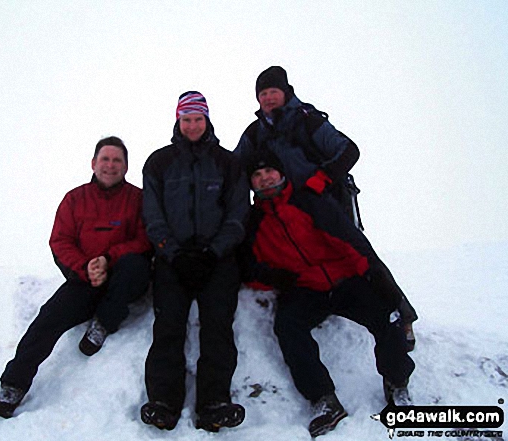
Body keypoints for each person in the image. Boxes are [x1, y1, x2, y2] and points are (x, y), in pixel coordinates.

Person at [234, 65, 418, 350]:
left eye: (273, 91)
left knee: (357, 251)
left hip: (324, 200)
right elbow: (235, 167)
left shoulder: (307, 120)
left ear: (285, 92)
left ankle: (400, 312)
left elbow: (348, 150)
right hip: (281, 205)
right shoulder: (255, 132)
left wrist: (322, 179)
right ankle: (320, 300)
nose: (268, 98)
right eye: (263, 94)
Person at [238, 150, 415, 438]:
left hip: (344, 280)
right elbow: (249, 266)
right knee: (288, 327)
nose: (264, 178)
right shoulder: (254, 221)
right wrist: (275, 277)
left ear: (282, 174)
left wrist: (373, 275)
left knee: (386, 314)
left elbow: (349, 239)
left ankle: (397, 383)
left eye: (269, 172)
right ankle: (323, 399)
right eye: (257, 176)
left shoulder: (310, 201)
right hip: (304, 287)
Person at [0, 136, 152, 418]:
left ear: (126, 167)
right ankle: (13, 384)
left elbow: (144, 239)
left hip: (123, 278)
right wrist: (85, 267)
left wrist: (109, 258)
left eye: (117, 160)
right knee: (47, 319)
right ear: (93, 163)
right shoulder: (74, 199)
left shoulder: (137, 199)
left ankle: (104, 323)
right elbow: (60, 241)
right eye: (105, 159)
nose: (110, 165)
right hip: (84, 280)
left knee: (135, 267)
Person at [140, 91, 249, 432]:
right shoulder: (158, 162)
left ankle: (213, 402)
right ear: (177, 120)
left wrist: (214, 251)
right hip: (173, 260)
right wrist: (171, 252)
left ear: (207, 120)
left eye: (197, 119)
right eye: (186, 119)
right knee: (169, 325)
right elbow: (152, 216)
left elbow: (238, 214)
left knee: (217, 325)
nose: (192, 125)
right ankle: (163, 401)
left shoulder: (228, 163)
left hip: (217, 259)